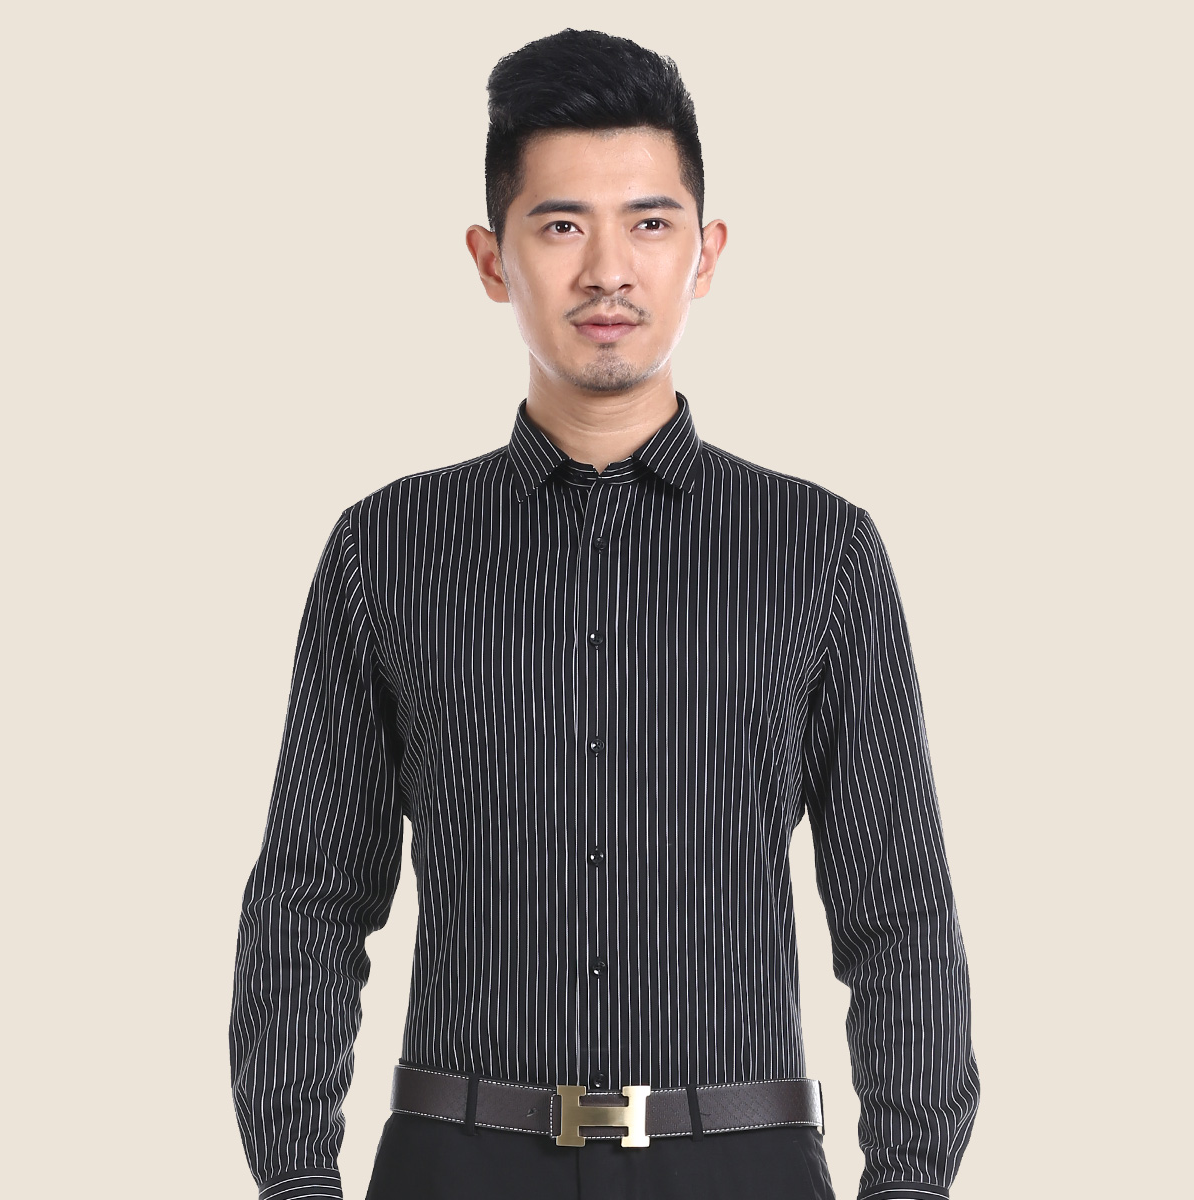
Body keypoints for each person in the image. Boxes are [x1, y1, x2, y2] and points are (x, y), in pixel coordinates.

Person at [229, 27, 980, 1200]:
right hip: (456, 1163)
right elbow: (310, 899)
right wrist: (294, 1179)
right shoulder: (388, 549)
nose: (609, 271)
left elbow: (899, 913)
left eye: (650, 222)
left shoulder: (819, 551)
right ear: (492, 258)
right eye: (562, 226)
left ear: (706, 252)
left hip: (741, 1163)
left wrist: (910, 1182)